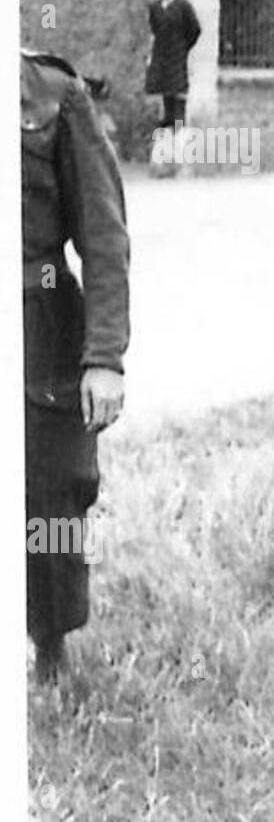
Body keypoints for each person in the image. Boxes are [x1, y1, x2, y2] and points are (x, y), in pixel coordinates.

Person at [22, 49, 130, 683]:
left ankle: (49, 646)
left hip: (38, 317)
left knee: (51, 501)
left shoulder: (54, 95)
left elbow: (104, 235)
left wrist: (104, 357)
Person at [145, 0, 201, 128]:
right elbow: (154, 28)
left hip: (177, 54)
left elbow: (195, 29)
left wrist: (184, 46)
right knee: (165, 89)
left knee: (178, 90)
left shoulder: (183, 6)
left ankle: (179, 124)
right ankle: (168, 121)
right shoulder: (155, 7)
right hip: (161, 53)